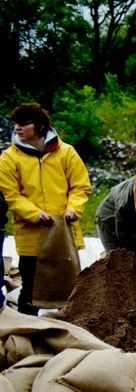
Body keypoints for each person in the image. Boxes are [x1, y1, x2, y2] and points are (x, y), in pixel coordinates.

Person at [0, 103, 92, 315]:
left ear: (39, 126)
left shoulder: (66, 153)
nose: (17, 128)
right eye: (16, 124)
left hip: (63, 234)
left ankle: (66, 328)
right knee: (30, 291)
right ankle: (27, 332)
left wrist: (73, 209)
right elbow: (12, 195)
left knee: (67, 287)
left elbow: (80, 186)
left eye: (23, 124)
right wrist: (35, 214)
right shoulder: (9, 158)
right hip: (31, 236)